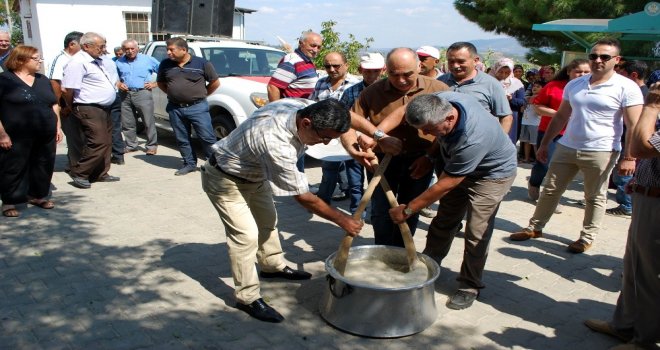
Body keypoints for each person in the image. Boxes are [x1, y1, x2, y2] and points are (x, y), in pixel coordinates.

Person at [201, 98, 364, 323]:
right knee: (246, 237)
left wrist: (376, 136)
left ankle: (272, 267)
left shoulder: (297, 106)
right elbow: (304, 197)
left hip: (255, 176)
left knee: (268, 222)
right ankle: (247, 297)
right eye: (324, 137)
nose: (326, 144)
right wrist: (343, 220)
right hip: (225, 179)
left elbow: (345, 114)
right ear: (306, 123)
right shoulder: (275, 142)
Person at [509, 38, 644, 253]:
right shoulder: (575, 84)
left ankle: (586, 237)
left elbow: (633, 125)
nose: (597, 60)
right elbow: (562, 115)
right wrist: (544, 144)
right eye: (593, 56)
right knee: (550, 190)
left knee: (594, 196)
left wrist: (629, 157)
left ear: (616, 60)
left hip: (602, 150)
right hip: (566, 146)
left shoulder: (627, 87)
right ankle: (535, 228)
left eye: (604, 57)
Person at [389, 92, 517, 310]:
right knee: (445, 219)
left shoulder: (473, 138)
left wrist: (408, 210)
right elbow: (432, 134)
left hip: (491, 175)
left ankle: (469, 285)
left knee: (477, 231)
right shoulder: (443, 99)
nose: (424, 134)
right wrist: (429, 156)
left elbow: (447, 183)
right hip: (456, 166)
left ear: (449, 118)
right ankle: (429, 264)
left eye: (429, 129)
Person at [344, 47, 449, 247]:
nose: (401, 81)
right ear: (386, 70)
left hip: (421, 161)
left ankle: (402, 253)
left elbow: (450, 131)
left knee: (410, 210)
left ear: (419, 66)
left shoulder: (440, 90)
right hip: (383, 162)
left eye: (407, 74)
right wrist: (354, 148)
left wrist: (430, 157)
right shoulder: (372, 92)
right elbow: (349, 122)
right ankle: (382, 252)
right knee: (382, 212)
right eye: (394, 74)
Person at [584, 83, 660, 350]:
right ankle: (623, 325)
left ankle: (644, 340)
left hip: (656, 206)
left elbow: (640, 147)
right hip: (647, 198)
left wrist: (652, 105)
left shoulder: (655, 104)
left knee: (651, 276)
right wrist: (638, 180)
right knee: (634, 268)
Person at [0, 45, 63, 217]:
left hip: (45, 131)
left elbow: (53, 104)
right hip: (16, 133)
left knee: (43, 163)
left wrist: (58, 126)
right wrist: (2, 133)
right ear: (21, 60)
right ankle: (10, 201)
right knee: (14, 166)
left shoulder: (42, 79)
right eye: (36, 58)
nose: (40, 61)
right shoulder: (4, 80)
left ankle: (37, 195)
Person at [526, 59, 591, 203]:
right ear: (569, 71)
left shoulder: (593, 89)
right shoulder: (554, 86)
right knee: (544, 163)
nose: (582, 75)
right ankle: (534, 183)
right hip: (550, 131)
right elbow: (537, 107)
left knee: (561, 168)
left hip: (576, 134)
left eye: (586, 72)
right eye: (578, 71)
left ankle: (552, 197)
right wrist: (560, 115)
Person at [62, 32, 121, 189]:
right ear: (86, 46)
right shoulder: (77, 62)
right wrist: (70, 106)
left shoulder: (97, 61)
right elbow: (69, 89)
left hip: (103, 107)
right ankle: (81, 173)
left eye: (103, 46)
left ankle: (101, 173)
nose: (103, 49)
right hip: (88, 107)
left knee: (107, 141)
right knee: (98, 141)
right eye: (100, 46)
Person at [156, 37, 220, 176]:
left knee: (207, 137)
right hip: (175, 108)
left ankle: (214, 165)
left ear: (183, 50)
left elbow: (215, 82)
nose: (168, 53)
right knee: (182, 137)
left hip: (197, 107)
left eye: (171, 50)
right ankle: (189, 163)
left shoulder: (202, 63)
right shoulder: (165, 64)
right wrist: (174, 94)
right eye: (167, 49)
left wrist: (201, 95)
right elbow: (161, 83)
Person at [310, 51, 360, 207]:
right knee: (330, 168)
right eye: (327, 66)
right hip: (327, 136)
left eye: (336, 66)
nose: (331, 69)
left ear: (346, 65)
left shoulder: (355, 86)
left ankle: (355, 208)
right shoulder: (321, 83)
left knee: (351, 172)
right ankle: (325, 201)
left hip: (349, 134)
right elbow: (313, 105)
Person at [606, 60, 650, 218]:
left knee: (626, 174)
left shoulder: (642, 95)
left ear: (634, 75)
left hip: (632, 142)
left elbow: (637, 125)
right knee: (621, 175)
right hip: (626, 140)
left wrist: (630, 155)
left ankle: (626, 205)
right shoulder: (643, 93)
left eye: (622, 74)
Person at [438, 42, 513, 133]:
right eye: (451, 61)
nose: (455, 66)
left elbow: (506, 118)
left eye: (461, 61)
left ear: (475, 60)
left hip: (480, 143)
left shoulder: (491, 84)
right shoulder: (440, 82)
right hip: (445, 143)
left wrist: (499, 142)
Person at [115, 39, 160, 156]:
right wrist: (119, 84)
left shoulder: (148, 60)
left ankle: (151, 146)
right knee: (127, 122)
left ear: (137, 48)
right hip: (125, 94)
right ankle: (131, 145)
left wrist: (155, 84)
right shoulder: (119, 62)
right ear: (123, 50)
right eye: (126, 49)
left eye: (132, 48)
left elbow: (164, 73)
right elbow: (115, 77)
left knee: (148, 121)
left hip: (142, 93)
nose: (130, 51)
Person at [47, 31, 83, 171]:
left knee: (80, 137)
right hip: (66, 105)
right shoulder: (60, 59)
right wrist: (62, 105)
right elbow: (55, 83)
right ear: (72, 44)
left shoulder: (78, 59)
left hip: (77, 104)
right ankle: (75, 167)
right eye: (82, 44)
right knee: (74, 137)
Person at [267, 31, 322, 102]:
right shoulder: (291, 61)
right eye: (313, 45)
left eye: (319, 47)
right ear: (301, 43)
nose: (315, 50)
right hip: (292, 110)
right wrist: (275, 110)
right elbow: (273, 87)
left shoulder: (306, 61)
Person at [489, 57, 526, 144]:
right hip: (491, 116)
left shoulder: (516, 83)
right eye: (500, 72)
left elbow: (522, 101)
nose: (503, 75)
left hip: (511, 117)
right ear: (495, 70)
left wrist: (511, 99)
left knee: (507, 141)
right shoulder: (489, 82)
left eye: (507, 72)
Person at [519, 81, 544, 163]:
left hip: (535, 123)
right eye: (534, 86)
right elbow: (522, 110)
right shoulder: (528, 98)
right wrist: (525, 104)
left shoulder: (541, 98)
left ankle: (538, 160)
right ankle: (526, 158)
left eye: (538, 86)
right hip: (525, 121)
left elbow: (540, 111)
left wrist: (533, 100)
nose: (535, 88)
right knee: (526, 141)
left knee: (535, 142)